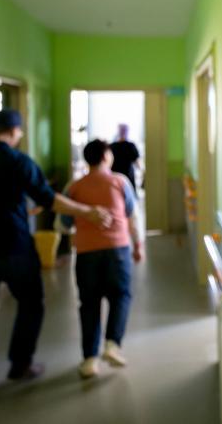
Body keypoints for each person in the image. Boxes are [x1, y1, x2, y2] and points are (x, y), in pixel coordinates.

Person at [0, 109, 112, 415]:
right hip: (14, 249)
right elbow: (48, 199)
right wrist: (87, 212)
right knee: (31, 303)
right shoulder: (17, 161)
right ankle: (20, 363)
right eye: (20, 132)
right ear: (14, 131)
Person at [60, 139, 143, 378]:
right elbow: (133, 217)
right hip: (118, 249)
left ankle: (89, 360)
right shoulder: (120, 181)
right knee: (121, 296)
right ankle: (112, 345)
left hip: (86, 253)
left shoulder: (74, 187)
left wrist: (83, 222)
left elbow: (63, 224)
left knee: (89, 303)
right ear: (107, 157)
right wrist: (138, 245)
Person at [109, 123, 141, 190]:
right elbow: (138, 165)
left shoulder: (111, 146)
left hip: (114, 180)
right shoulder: (131, 146)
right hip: (128, 179)